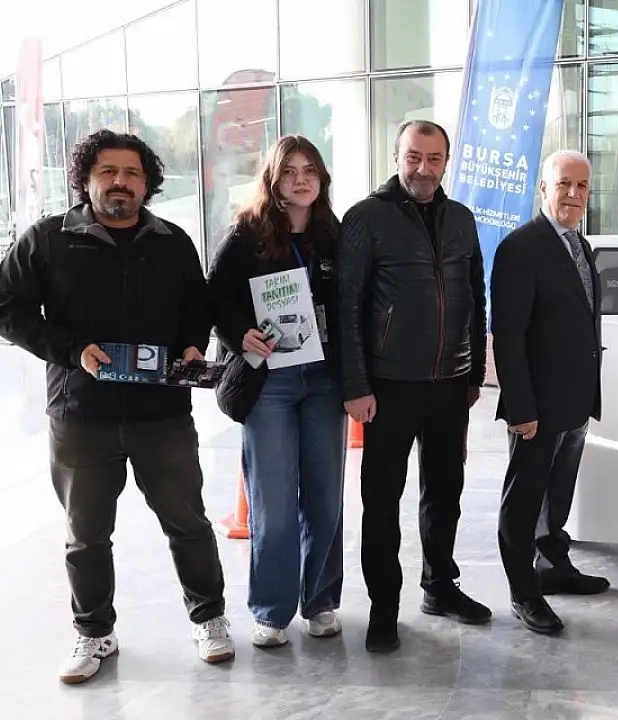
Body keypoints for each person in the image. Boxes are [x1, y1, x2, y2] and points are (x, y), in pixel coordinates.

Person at [0, 129, 235, 683]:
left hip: (163, 415)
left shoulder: (172, 240)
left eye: (132, 173)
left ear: (147, 183)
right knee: (86, 535)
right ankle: (94, 633)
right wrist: (70, 350)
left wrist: (192, 345)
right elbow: (7, 306)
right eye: (108, 171)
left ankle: (209, 618)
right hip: (80, 415)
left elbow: (196, 305)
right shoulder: (48, 239)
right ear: (85, 179)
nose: (120, 182)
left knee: (188, 523)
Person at [336, 119, 489, 653]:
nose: (424, 168)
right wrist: (356, 384)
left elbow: (476, 297)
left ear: (446, 161)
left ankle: (439, 586)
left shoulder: (462, 218)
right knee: (381, 501)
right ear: (397, 156)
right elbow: (347, 307)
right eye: (414, 157)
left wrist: (473, 372)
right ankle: (384, 608)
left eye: (434, 158)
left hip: (450, 383)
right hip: (388, 385)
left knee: (446, 492)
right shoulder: (366, 217)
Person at [207, 135, 348, 648]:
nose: (301, 179)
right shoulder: (247, 233)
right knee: (274, 503)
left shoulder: (334, 233)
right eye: (290, 171)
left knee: (325, 498)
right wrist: (238, 333)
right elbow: (213, 298)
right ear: (273, 179)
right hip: (270, 382)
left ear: (322, 178)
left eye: (310, 170)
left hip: (326, 381)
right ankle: (271, 609)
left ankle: (320, 601)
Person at [492, 149, 610, 635]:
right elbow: (509, 336)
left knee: (556, 495)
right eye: (564, 184)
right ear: (544, 188)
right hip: (536, 405)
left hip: (575, 400)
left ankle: (553, 567)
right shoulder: (521, 248)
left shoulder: (581, 245)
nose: (574, 194)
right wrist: (521, 407)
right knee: (523, 500)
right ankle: (524, 592)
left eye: (582, 186)